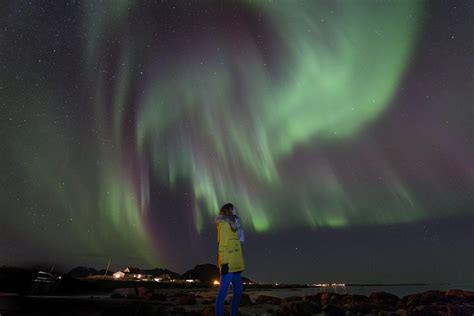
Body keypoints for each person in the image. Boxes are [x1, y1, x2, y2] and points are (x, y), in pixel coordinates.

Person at [215, 203, 245, 316]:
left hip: (236, 265)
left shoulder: (235, 226)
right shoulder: (223, 225)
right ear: (229, 210)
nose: (236, 210)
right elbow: (222, 246)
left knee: (238, 292)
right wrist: (225, 263)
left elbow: (238, 244)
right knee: (222, 294)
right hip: (228, 266)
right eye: (234, 209)